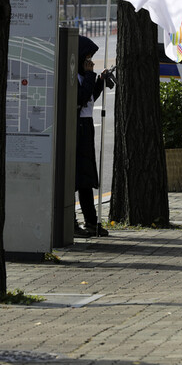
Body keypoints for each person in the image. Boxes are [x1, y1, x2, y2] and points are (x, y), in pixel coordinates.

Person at [75, 36, 114, 237]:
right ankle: (71, 222)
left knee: (86, 176)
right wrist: (91, 76)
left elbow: (89, 98)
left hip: (86, 126)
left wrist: (99, 81)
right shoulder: (74, 76)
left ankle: (91, 221)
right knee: (76, 176)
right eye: (87, 57)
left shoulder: (85, 75)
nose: (90, 61)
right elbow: (80, 98)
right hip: (76, 128)